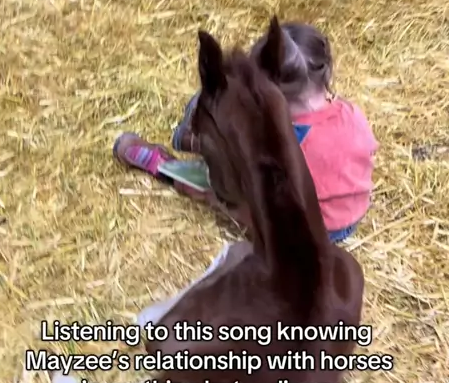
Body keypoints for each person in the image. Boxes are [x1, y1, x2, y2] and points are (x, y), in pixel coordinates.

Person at [113, 22, 378, 242]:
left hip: (306, 233)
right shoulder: (351, 113)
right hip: (351, 217)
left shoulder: (290, 143)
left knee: (214, 190)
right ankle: (199, 143)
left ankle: (165, 167)